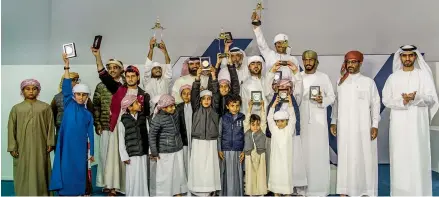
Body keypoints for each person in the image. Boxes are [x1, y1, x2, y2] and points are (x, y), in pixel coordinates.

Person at [92, 47, 151, 196]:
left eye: (133, 76)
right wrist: (98, 56)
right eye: (128, 76)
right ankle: (113, 187)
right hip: (119, 125)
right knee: (115, 157)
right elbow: (103, 75)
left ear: (138, 77)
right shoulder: (118, 89)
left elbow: (147, 115)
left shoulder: (144, 95)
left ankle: (129, 187)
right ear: (126, 76)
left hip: (136, 130)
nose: (130, 78)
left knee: (134, 158)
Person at [382, 45, 438, 196]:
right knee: (400, 157)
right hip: (398, 126)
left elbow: (432, 99)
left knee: (418, 157)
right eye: (404, 56)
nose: (407, 59)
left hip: (418, 125)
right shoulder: (393, 78)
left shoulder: (424, 76)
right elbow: (386, 100)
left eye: (411, 56)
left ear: (415, 57)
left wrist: (416, 97)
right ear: (400, 57)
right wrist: (403, 102)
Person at [330, 51, 380, 196]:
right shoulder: (340, 82)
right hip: (345, 128)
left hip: (363, 128)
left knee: (365, 157)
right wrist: (334, 121)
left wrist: (375, 124)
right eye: (348, 62)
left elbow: (375, 104)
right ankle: (344, 190)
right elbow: (336, 104)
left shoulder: (368, 82)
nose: (350, 65)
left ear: (360, 63)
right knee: (345, 158)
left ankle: (366, 190)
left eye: (353, 62)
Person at [50, 53, 95, 196]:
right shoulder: (68, 103)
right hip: (65, 145)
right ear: (74, 95)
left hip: (80, 147)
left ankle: (78, 192)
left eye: (84, 95)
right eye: (78, 94)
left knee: (79, 169)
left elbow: (91, 134)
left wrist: (92, 152)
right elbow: (67, 86)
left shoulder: (88, 114)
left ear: (87, 96)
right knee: (65, 168)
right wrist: (67, 66)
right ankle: (64, 192)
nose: (81, 97)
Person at [7, 79, 55, 196]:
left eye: (34, 89)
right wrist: (12, 146)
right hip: (22, 146)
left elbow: (50, 125)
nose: (31, 91)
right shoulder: (16, 108)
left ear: (38, 91)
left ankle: (42, 193)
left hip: (41, 145)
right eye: (27, 89)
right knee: (23, 171)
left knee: (41, 170)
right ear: (22, 91)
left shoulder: (45, 107)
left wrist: (50, 142)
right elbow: (11, 128)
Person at [299, 50, 335, 196]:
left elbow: (332, 97)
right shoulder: (298, 77)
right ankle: (302, 189)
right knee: (302, 154)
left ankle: (319, 189)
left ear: (316, 61)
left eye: (311, 60)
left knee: (318, 153)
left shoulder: (323, 77)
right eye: (305, 60)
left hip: (319, 121)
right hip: (301, 121)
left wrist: (323, 101)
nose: (308, 62)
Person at [187, 67, 222, 196]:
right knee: (199, 165)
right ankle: (197, 188)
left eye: (209, 98)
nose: (207, 100)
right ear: (200, 101)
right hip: (198, 140)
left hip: (211, 141)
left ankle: (210, 188)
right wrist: (197, 77)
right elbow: (194, 93)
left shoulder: (214, 108)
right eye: (204, 98)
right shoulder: (196, 108)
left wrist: (213, 76)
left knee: (210, 166)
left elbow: (217, 93)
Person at [93, 58, 125, 192]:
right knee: (105, 155)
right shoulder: (101, 86)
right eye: (109, 68)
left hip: (122, 125)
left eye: (115, 67)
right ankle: (106, 184)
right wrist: (97, 123)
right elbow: (96, 106)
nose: (112, 70)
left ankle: (118, 186)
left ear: (121, 69)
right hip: (106, 125)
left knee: (120, 155)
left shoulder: (125, 85)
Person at [149, 94, 188, 196]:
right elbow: (152, 136)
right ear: (164, 108)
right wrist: (154, 152)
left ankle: (177, 192)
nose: (174, 107)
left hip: (177, 148)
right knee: (165, 175)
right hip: (165, 151)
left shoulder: (175, 113)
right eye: (171, 106)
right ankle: (164, 193)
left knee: (177, 172)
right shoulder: (157, 119)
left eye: (174, 105)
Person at [251, 11, 300, 79]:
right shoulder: (270, 55)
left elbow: (297, 78)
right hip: (271, 88)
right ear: (275, 45)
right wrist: (256, 26)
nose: (281, 45)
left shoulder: (293, 59)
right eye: (278, 43)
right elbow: (261, 43)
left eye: (283, 42)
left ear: (287, 44)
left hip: (288, 89)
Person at [51, 72, 93, 147]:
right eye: (73, 80)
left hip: (79, 132)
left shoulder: (85, 98)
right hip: (61, 132)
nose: (76, 82)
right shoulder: (57, 98)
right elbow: (52, 116)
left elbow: (91, 113)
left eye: (77, 80)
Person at [267, 96, 296, 196]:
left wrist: (291, 104)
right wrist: (273, 105)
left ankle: (287, 194)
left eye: (282, 121)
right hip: (276, 161)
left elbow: (293, 118)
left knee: (286, 178)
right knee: (276, 177)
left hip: (286, 162)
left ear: (286, 121)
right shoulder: (274, 130)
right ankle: (276, 194)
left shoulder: (289, 130)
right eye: (277, 121)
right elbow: (269, 118)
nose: (279, 123)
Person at [218, 94, 246, 196]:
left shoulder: (243, 118)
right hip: (225, 150)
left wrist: (244, 150)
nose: (235, 108)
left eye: (237, 106)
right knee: (226, 174)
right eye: (232, 106)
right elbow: (219, 135)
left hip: (238, 150)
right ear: (227, 106)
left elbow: (246, 135)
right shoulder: (223, 118)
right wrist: (219, 149)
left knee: (238, 174)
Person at [243, 100, 267, 196]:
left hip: (260, 154)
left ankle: (261, 191)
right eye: (253, 124)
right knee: (250, 173)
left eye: (257, 124)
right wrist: (250, 107)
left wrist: (262, 107)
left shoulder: (262, 130)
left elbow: (264, 120)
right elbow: (246, 120)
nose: (256, 127)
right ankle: (251, 192)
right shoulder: (246, 130)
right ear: (250, 124)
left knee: (261, 173)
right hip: (249, 154)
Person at [143, 37, 172, 112]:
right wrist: (151, 49)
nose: (158, 69)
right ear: (151, 71)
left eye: (159, 68)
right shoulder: (147, 81)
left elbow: (168, 67)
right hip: (151, 112)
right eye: (155, 68)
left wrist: (165, 52)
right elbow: (147, 67)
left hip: (166, 112)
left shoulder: (166, 81)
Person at [176, 84, 192, 176]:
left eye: (189, 93)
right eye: (184, 93)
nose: (186, 96)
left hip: (194, 140)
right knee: (184, 162)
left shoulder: (195, 106)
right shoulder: (178, 108)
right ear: (181, 95)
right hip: (184, 141)